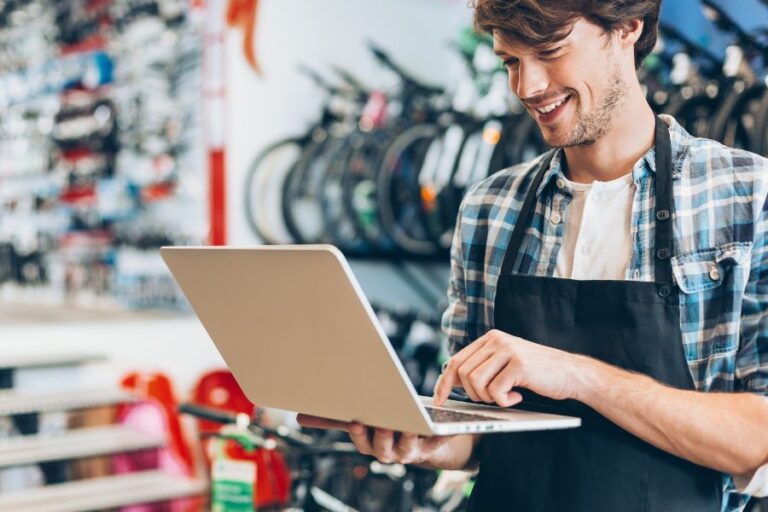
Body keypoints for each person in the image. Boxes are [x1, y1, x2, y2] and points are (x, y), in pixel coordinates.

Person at [299, 1, 768, 510]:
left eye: (549, 51)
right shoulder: (489, 208)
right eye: (511, 62)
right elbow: (471, 425)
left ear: (627, 28)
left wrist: (577, 375)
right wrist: (427, 441)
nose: (527, 87)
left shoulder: (747, 197)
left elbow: (757, 443)